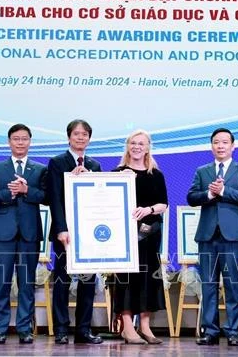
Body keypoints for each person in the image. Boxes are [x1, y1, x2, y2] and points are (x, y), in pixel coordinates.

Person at [186, 128, 238, 347]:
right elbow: (191, 197)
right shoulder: (202, 171)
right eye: (216, 142)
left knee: (233, 285)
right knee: (208, 285)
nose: (220, 146)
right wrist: (209, 194)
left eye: (225, 142)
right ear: (211, 146)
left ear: (233, 146)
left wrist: (224, 191)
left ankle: (233, 331)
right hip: (207, 236)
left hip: (233, 237)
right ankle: (210, 331)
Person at [0, 124, 47, 345]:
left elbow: (46, 196)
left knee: (26, 283)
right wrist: (10, 192)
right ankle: (0, 329)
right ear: (9, 142)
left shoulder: (39, 169)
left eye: (24, 139)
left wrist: (27, 190)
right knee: (1, 283)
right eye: (16, 139)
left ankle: (24, 329)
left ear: (30, 142)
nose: (20, 143)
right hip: (3, 235)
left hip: (29, 235)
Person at [47, 119, 103, 345]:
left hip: (89, 235)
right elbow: (54, 199)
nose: (80, 138)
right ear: (69, 137)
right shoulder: (57, 163)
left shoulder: (95, 165)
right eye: (76, 134)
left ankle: (83, 330)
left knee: (88, 282)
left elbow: (100, 199)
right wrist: (61, 228)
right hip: (65, 234)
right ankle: (61, 329)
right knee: (62, 281)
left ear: (89, 138)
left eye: (85, 134)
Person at [112, 129, 168, 345]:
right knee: (126, 279)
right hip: (124, 235)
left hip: (150, 233)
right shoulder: (118, 173)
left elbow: (163, 204)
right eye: (133, 143)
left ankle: (144, 327)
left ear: (147, 147)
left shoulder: (156, 174)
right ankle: (127, 327)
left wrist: (148, 210)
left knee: (148, 280)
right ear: (128, 146)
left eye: (141, 143)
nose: (136, 147)